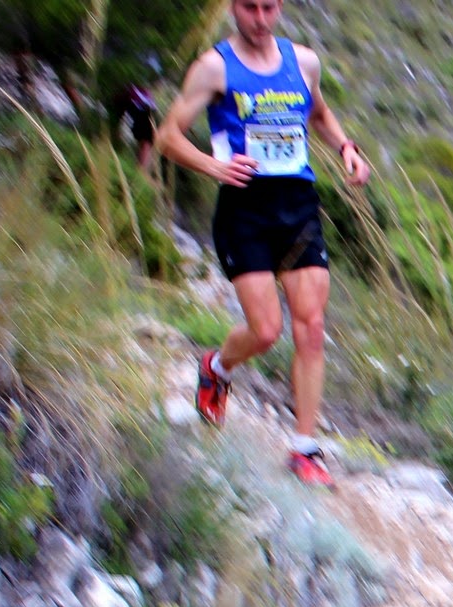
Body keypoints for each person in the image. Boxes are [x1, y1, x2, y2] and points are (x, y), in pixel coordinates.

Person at [155, 0, 370, 487]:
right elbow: (169, 135)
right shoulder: (213, 68)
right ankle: (217, 365)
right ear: (234, 8)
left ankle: (305, 449)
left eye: (269, 7)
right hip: (244, 211)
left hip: (297, 206)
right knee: (268, 330)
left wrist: (345, 147)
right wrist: (214, 167)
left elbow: (318, 111)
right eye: (250, 8)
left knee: (311, 327)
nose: (260, 18)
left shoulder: (304, 61)